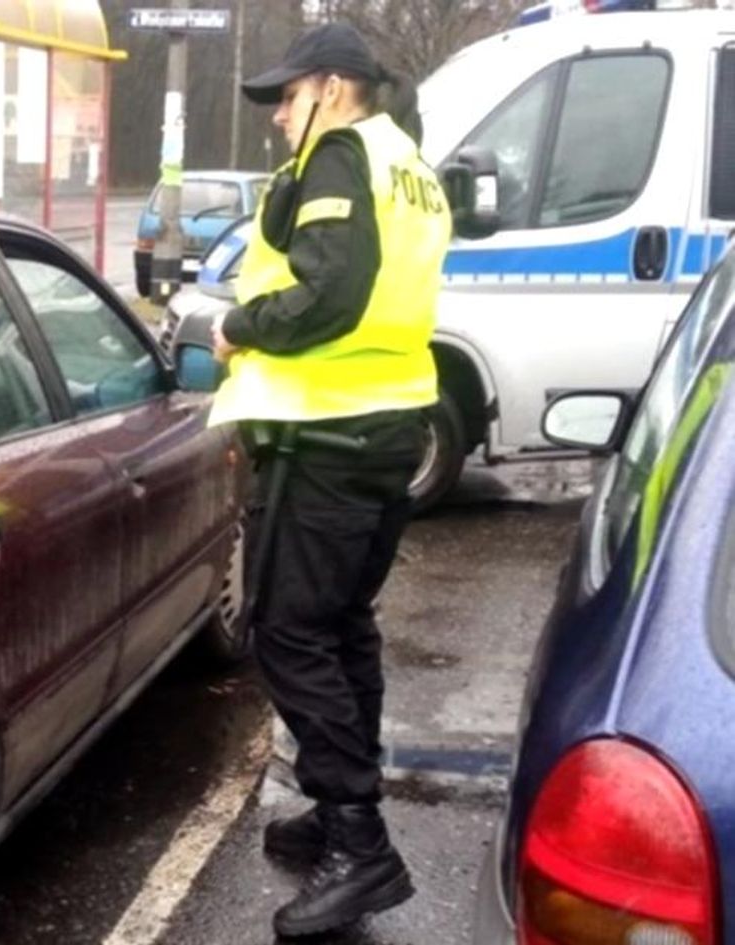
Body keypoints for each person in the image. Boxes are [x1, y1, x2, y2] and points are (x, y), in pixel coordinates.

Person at [206, 22, 451, 939]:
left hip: (332, 436)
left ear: (333, 88)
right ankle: (342, 813)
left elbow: (330, 292)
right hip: (383, 424)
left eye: (286, 95)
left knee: (291, 633)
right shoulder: (406, 161)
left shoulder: (344, 154)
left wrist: (241, 324)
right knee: (343, 624)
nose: (276, 115)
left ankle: (360, 842)